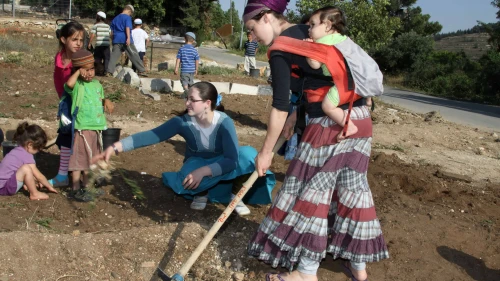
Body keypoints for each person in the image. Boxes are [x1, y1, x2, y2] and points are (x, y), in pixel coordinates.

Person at [243, 1, 389, 281]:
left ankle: (306, 272)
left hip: (327, 126)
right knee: (353, 189)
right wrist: (294, 117)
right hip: (359, 120)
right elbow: (319, 78)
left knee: (312, 193)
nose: (253, 38)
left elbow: (279, 104)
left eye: (252, 29)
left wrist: (265, 153)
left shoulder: (281, 49)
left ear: (265, 18)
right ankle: (358, 267)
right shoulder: (307, 31)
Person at [93, 82, 277, 216]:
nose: (187, 103)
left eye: (192, 100)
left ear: (207, 103)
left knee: (248, 155)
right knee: (187, 179)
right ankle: (202, 193)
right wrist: (116, 146)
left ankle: (236, 194)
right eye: (186, 98)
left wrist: (204, 172)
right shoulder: (182, 123)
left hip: (223, 161)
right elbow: (152, 135)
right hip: (197, 161)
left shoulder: (224, 122)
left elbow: (230, 160)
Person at [305, 7, 376, 140]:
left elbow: (314, 65)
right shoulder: (343, 39)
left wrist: (309, 49)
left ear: (327, 25)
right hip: (360, 83)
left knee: (327, 106)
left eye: (312, 25)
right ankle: (368, 99)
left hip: (344, 85)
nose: (309, 30)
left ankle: (349, 126)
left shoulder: (322, 43)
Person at [65, 49, 111, 201]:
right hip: (82, 128)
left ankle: (87, 187)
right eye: (86, 70)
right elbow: (69, 84)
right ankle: (75, 188)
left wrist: (107, 102)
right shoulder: (77, 85)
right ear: (78, 70)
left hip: (96, 128)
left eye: (92, 69)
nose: (90, 73)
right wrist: (78, 73)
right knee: (79, 160)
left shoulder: (97, 84)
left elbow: (101, 99)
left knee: (91, 160)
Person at [50, 21, 87, 188]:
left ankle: (83, 175)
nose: (79, 43)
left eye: (81, 39)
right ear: (64, 40)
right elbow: (58, 80)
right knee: (66, 135)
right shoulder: (59, 58)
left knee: (82, 137)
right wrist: (62, 103)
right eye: (75, 39)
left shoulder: (82, 59)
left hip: (81, 106)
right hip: (66, 104)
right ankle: (63, 174)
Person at [0, 122, 58, 200]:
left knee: (26, 170)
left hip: (3, 185)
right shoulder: (26, 155)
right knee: (26, 168)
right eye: (38, 148)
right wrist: (49, 186)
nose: (38, 151)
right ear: (30, 145)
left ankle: (28, 186)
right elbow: (39, 176)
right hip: (5, 188)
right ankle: (35, 194)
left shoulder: (17, 151)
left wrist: (33, 181)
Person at [107, 4, 147, 77]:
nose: (130, 15)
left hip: (116, 39)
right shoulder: (127, 17)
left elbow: (111, 32)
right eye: (131, 13)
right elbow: (127, 28)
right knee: (134, 54)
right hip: (125, 38)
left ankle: (109, 72)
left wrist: (113, 39)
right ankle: (141, 70)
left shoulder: (115, 18)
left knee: (113, 56)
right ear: (129, 10)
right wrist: (128, 38)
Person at [174, 32, 199, 96]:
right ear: (193, 41)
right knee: (190, 82)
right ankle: (191, 93)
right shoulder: (194, 50)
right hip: (192, 69)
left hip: (184, 69)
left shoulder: (182, 49)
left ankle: (187, 91)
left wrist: (176, 68)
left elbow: (178, 59)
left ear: (185, 39)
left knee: (184, 81)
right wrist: (196, 69)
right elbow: (197, 60)